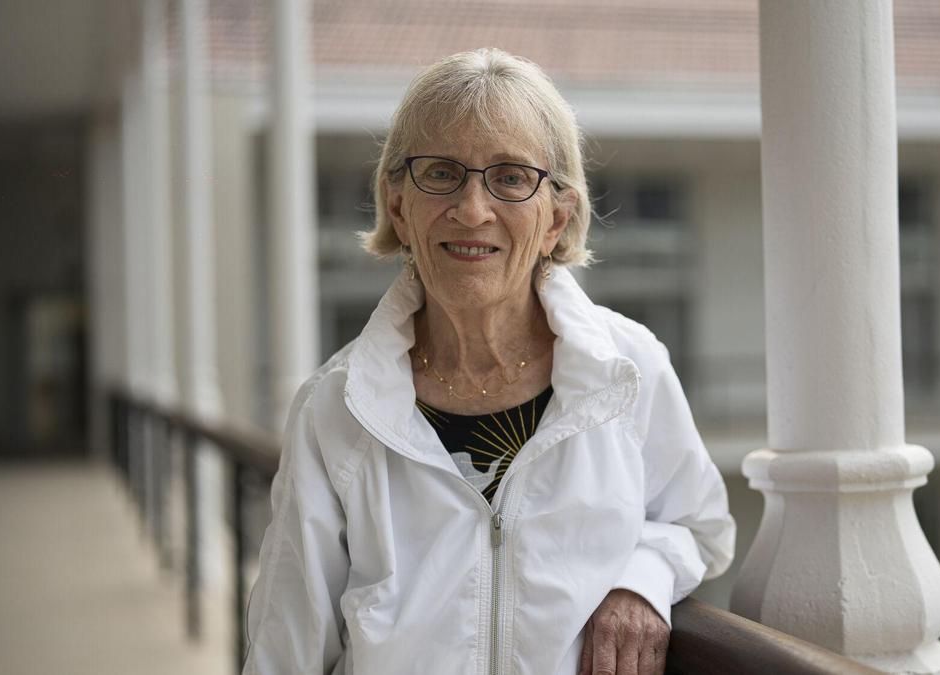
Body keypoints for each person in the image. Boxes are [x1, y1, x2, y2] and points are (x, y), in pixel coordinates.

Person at [242, 48, 735, 675]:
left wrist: (641, 583)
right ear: (398, 206)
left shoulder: (628, 368)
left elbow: (699, 524)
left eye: (509, 178)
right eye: (442, 173)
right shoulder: (335, 406)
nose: (472, 210)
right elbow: (287, 641)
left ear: (557, 216)